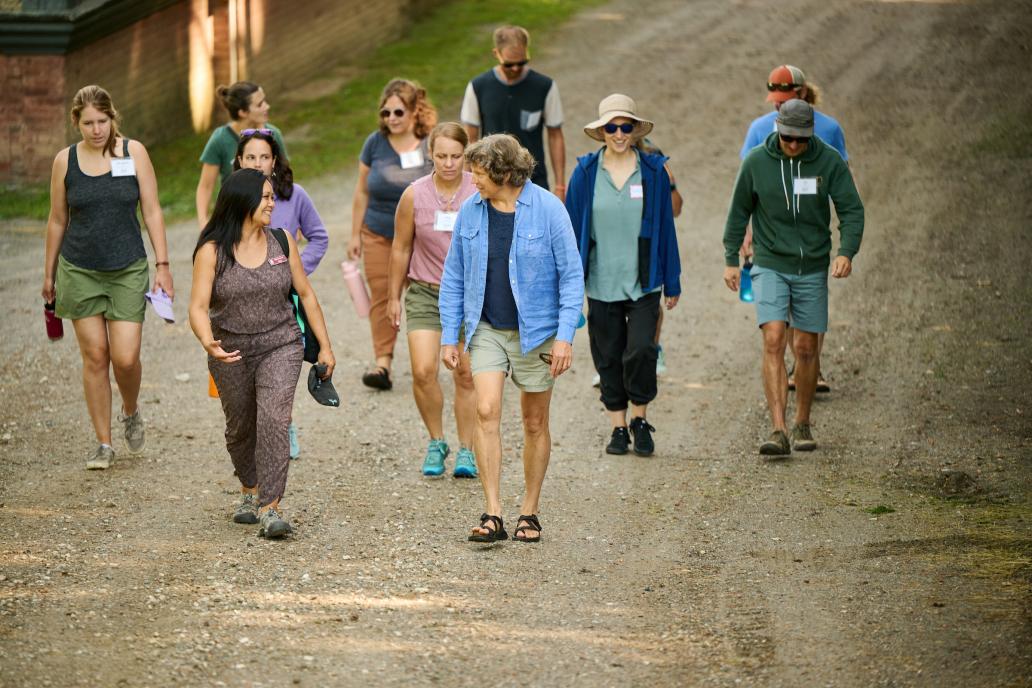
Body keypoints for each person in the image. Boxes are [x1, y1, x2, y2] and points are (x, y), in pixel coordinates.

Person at [439, 134, 583, 543]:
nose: (473, 182)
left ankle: (530, 512)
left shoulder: (549, 210)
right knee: (485, 410)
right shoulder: (471, 211)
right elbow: (453, 276)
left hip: (537, 332)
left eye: (479, 175)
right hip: (486, 328)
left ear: (504, 173)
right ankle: (493, 513)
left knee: (534, 421)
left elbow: (572, 277)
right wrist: (451, 336)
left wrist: (565, 338)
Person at [188, 168, 335, 538]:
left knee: (273, 419)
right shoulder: (212, 251)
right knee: (240, 428)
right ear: (243, 201)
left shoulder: (282, 241)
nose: (273, 203)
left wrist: (326, 348)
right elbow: (196, 307)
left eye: (273, 197)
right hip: (230, 351)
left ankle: (271, 507)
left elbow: (307, 295)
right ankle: (249, 491)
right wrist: (209, 342)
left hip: (281, 345)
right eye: (266, 197)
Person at [42, 85, 174, 471]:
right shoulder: (64, 161)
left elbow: (151, 211)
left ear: (112, 118)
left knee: (125, 356)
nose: (96, 129)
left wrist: (162, 265)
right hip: (79, 268)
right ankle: (103, 443)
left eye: (102, 121)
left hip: (127, 267)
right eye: (88, 123)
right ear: (76, 123)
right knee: (95, 355)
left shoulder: (133, 153)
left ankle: (130, 410)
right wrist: (48, 273)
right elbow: (57, 219)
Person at [722, 100, 864, 457]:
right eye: (788, 138)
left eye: (801, 140)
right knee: (773, 337)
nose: (794, 145)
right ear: (778, 130)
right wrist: (730, 260)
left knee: (805, 347)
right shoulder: (757, 161)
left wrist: (846, 251)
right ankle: (778, 428)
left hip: (812, 265)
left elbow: (851, 208)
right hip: (769, 261)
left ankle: (802, 422)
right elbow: (738, 211)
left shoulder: (827, 160)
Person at [565, 94, 681, 457]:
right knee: (608, 354)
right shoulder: (585, 172)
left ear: (634, 130)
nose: (618, 133)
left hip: (644, 279)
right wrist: (567, 281)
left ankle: (640, 419)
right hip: (600, 280)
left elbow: (666, 227)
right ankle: (618, 427)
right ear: (601, 132)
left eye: (625, 126)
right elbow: (569, 229)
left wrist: (672, 282)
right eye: (611, 127)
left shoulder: (652, 171)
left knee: (642, 349)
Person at [740, 65, 850, 394]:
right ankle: (797, 362)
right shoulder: (759, 129)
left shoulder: (829, 129)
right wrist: (745, 229)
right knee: (782, 304)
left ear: (802, 94)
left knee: (810, 303)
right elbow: (744, 185)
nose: (778, 105)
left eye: (785, 98)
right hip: (770, 228)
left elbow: (843, 177)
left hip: (811, 229)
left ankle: (810, 362)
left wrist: (846, 230)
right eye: (775, 100)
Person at [387, 123, 478, 479]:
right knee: (424, 370)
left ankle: (467, 450)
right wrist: (393, 296)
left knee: (466, 373)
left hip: (470, 295)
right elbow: (401, 246)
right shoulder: (414, 194)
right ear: (430, 155)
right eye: (441, 156)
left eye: (456, 156)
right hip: (425, 290)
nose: (449, 163)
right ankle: (437, 440)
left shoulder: (478, 189)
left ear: (465, 155)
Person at [233, 129, 329, 459]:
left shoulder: (295, 196)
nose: (258, 163)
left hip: (283, 299)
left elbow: (319, 237)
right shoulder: (230, 198)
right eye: (251, 157)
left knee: (281, 365)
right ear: (239, 161)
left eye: (264, 157)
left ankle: (283, 423)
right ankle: (252, 430)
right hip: (242, 301)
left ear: (274, 161)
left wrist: (292, 271)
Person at [347, 78, 436, 391]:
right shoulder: (374, 143)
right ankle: (382, 362)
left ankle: (428, 359)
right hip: (378, 232)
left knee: (425, 296)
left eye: (398, 112)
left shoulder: (430, 144)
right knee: (383, 296)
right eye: (386, 113)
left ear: (414, 111)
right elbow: (361, 191)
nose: (391, 119)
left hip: (422, 238)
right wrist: (355, 235)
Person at [460, 25, 566, 200]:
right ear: (496, 54)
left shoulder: (545, 87)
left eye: (522, 62)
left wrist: (560, 186)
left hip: (534, 183)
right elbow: (470, 140)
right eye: (509, 64)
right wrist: (466, 186)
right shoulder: (478, 87)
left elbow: (555, 135)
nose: (516, 68)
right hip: (492, 184)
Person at [196, 81, 287, 228]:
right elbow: (205, 186)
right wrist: (203, 221)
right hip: (233, 222)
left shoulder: (273, 135)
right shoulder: (220, 139)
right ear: (243, 112)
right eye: (260, 104)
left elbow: (285, 179)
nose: (267, 106)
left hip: (269, 218)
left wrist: (294, 214)